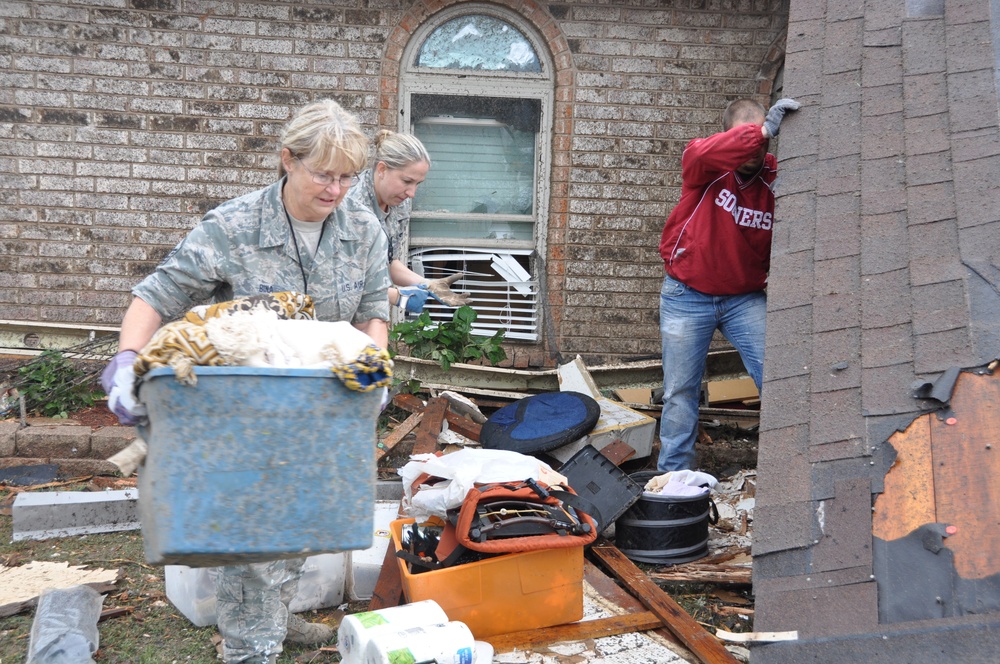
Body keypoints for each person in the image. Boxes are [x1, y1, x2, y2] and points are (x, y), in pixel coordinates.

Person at [100, 99, 391, 664]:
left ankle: (279, 617)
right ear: (287, 159)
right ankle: (250, 649)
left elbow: (373, 308)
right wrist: (126, 359)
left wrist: (374, 365)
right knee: (257, 536)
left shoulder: (363, 228)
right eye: (322, 174)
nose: (336, 190)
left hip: (325, 404)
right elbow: (155, 295)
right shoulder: (233, 227)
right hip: (248, 410)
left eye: (348, 177)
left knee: (306, 518)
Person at [657, 97, 800, 472]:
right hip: (686, 295)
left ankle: (789, 470)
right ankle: (674, 480)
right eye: (746, 136)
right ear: (727, 136)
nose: (756, 146)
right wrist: (762, 131)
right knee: (679, 392)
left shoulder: (779, 178)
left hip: (744, 299)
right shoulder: (704, 165)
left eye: (763, 139)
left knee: (779, 377)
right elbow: (699, 153)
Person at [346, 129, 470, 316]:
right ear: (382, 169)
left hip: (370, 314)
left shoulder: (400, 204)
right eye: (407, 181)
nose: (412, 193)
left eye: (417, 184)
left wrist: (427, 284)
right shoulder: (349, 204)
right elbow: (343, 279)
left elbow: (386, 262)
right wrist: (396, 296)